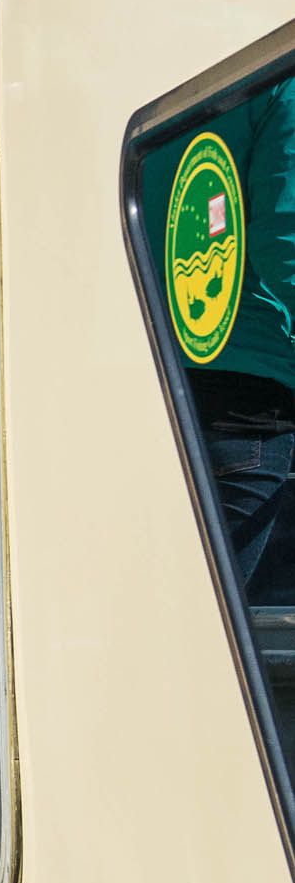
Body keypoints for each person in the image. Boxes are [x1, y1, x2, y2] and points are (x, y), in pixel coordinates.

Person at [140, 80, 295, 602]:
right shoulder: (280, 79)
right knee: (207, 623)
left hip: (140, 368)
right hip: (243, 395)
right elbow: (286, 245)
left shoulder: (152, 77)